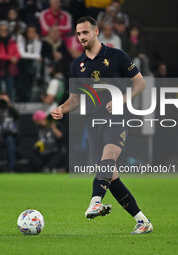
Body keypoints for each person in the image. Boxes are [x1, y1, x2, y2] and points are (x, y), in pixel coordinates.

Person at [51, 16, 153, 234]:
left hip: (117, 118)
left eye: (85, 33)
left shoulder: (117, 56)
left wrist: (123, 99)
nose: (81, 37)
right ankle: (143, 221)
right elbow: (75, 100)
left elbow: (140, 83)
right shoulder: (76, 66)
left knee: (108, 160)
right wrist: (61, 108)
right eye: (78, 34)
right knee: (111, 176)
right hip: (94, 124)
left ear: (96, 32)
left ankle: (95, 201)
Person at [0, 21, 20, 100]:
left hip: (10, 70)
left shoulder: (12, 41)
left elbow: (17, 53)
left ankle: (11, 106)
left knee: (10, 90)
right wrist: (10, 58)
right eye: (1, 30)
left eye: (5, 30)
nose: (3, 32)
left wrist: (15, 58)